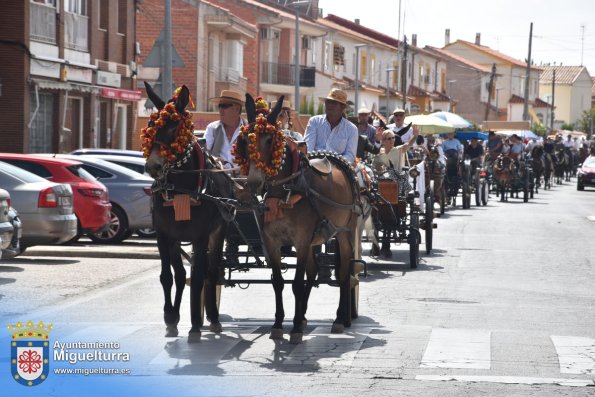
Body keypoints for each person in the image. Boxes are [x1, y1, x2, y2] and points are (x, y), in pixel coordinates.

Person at [303, 88, 358, 163]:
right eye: (328, 102)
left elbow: (350, 156)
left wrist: (334, 164)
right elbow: (308, 148)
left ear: (342, 107)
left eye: (334, 103)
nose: (329, 105)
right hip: (314, 165)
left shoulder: (352, 129)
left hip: (339, 167)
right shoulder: (314, 121)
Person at [204, 90, 246, 169]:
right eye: (219, 106)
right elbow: (204, 152)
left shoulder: (248, 130)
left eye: (225, 106)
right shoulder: (212, 128)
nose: (220, 109)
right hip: (218, 178)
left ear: (237, 109)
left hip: (243, 179)